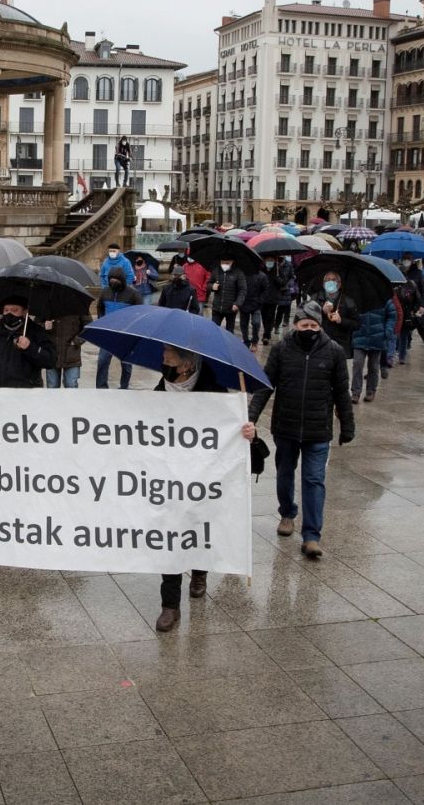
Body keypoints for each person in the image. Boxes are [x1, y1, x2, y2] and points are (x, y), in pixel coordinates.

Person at [153, 344, 258, 631]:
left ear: (185, 363)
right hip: (170, 478)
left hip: (204, 477)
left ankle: (199, 572)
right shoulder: (162, 387)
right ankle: (169, 606)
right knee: (171, 538)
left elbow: (233, 438)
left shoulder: (215, 392)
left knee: (198, 531)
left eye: (168, 353)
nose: (163, 356)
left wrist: (248, 433)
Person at [249, 303, 354, 559]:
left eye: (314, 325)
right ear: (295, 325)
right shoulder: (281, 349)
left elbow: (342, 392)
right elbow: (265, 386)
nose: (309, 329)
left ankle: (312, 536)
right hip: (286, 426)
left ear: (320, 325)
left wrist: (348, 425)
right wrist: (251, 417)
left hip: (318, 430)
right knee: (285, 474)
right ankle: (287, 512)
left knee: (314, 480)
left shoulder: (334, 352)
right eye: (304, 324)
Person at [0, 297, 55, 389]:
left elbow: (50, 360)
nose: (9, 313)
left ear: (24, 312)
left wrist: (30, 347)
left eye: (14, 310)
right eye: (6, 310)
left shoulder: (36, 332)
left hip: (25, 392)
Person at [95, 268, 142, 388]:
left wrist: (133, 326)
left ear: (122, 280)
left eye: (116, 280)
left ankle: (124, 386)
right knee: (102, 361)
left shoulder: (133, 294)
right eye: (111, 280)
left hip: (126, 334)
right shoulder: (105, 292)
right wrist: (101, 320)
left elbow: (140, 312)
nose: (113, 282)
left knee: (126, 364)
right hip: (108, 333)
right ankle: (101, 386)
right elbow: (100, 306)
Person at [350, 298, 397, 404]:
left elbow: (392, 316)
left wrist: (388, 330)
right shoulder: (355, 298)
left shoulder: (385, 299)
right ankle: (355, 392)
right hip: (359, 337)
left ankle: (371, 391)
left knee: (373, 366)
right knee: (357, 364)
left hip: (377, 338)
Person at [309, 271, 359, 359]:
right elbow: (306, 318)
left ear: (339, 284)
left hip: (340, 346)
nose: (330, 282)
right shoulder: (315, 298)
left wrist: (341, 321)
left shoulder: (348, 301)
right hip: (319, 344)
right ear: (323, 284)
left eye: (334, 280)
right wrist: (321, 311)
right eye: (327, 280)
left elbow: (357, 324)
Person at [44, 313, 85, 388]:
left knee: (71, 386)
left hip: (72, 354)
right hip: (52, 354)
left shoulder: (79, 306)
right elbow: (36, 325)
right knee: (52, 387)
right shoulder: (47, 305)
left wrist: (77, 340)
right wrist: (44, 326)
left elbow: (89, 326)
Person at [393, 275, 424, 367]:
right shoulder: (392, 285)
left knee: (404, 335)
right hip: (395, 315)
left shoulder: (411, 285)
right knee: (396, 336)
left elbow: (418, 299)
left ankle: (401, 356)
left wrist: (416, 309)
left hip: (407, 315)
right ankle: (394, 354)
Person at [209, 258, 247, 333]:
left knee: (229, 332)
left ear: (232, 262)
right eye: (222, 262)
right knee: (213, 330)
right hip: (217, 307)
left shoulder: (238, 273)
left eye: (227, 263)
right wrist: (212, 286)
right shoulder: (216, 271)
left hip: (231, 308)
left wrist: (237, 303)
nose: (224, 265)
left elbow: (242, 290)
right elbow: (208, 283)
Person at [238, 265, 270, 347]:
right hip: (244, 303)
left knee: (256, 323)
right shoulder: (242, 275)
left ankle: (254, 341)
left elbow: (266, 290)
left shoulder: (262, 276)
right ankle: (246, 340)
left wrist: (260, 300)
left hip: (256, 305)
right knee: (243, 324)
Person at [257, 257, 284, 345]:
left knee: (270, 316)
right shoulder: (261, 270)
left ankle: (266, 335)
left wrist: (277, 278)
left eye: (271, 260)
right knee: (264, 316)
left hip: (273, 298)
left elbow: (282, 283)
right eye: (268, 260)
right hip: (263, 298)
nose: (269, 262)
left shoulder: (277, 270)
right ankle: (267, 330)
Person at [272, 255, 297, 330]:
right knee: (271, 309)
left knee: (281, 309)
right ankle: (271, 323)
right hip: (274, 290)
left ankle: (277, 325)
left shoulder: (288, 265)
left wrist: (287, 285)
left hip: (285, 290)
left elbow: (292, 277)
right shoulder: (274, 264)